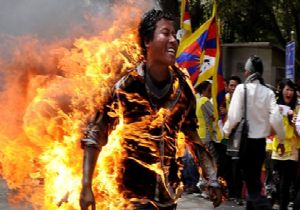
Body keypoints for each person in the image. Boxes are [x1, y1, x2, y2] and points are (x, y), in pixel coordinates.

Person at [79, 9, 222, 210]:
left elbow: (193, 139)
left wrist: (211, 179)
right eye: (166, 33)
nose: (173, 40)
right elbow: (95, 136)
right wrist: (86, 186)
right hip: (132, 199)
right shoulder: (126, 87)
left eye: (175, 34)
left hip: (167, 198)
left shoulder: (183, 91)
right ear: (147, 41)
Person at [223, 55, 285, 210]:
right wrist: (282, 139)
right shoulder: (268, 92)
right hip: (260, 144)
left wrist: (225, 131)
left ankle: (265, 207)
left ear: (248, 72)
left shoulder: (241, 89)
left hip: (244, 144)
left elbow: (234, 116)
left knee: (253, 187)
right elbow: (276, 117)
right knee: (253, 181)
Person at [271, 79, 299, 210]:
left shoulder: (297, 109)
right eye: (287, 89)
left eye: (291, 90)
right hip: (277, 149)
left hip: (292, 151)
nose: (289, 93)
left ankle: (284, 206)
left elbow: (298, 131)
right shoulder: (276, 106)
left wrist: (294, 120)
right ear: (281, 91)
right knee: (277, 184)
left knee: (285, 185)